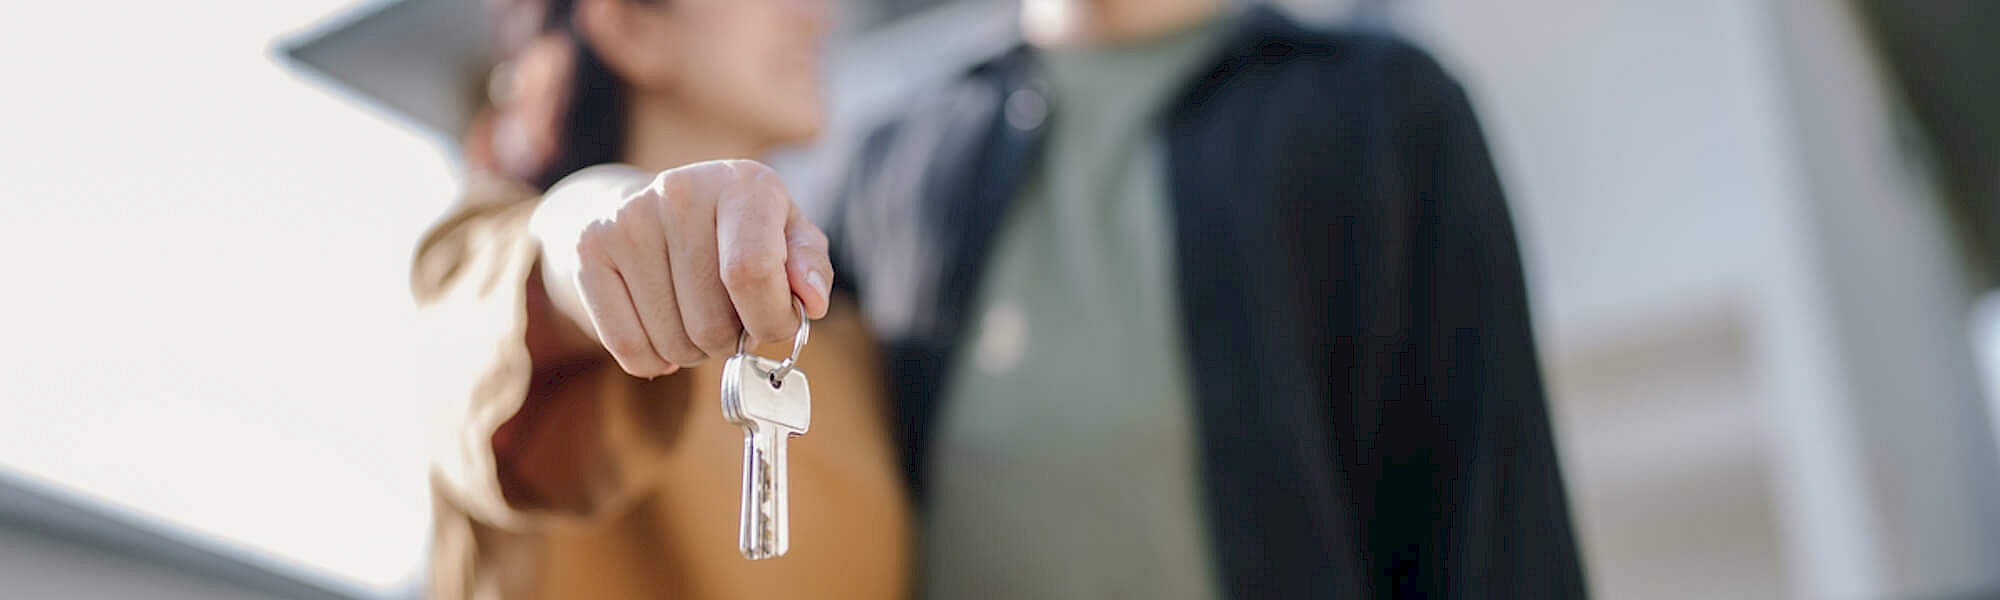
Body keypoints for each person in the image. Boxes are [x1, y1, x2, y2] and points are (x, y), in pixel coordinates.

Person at [414, 0, 1586, 598]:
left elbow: (1495, 535)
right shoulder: (900, 165)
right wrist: (595, 222)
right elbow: (510, 306)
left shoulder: (1379, 117)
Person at [408, 0, 908, 598]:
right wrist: (602, 222)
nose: (816, 14)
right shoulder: (482, 252)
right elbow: (538, 276)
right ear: (629, 23)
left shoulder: (849, 336)